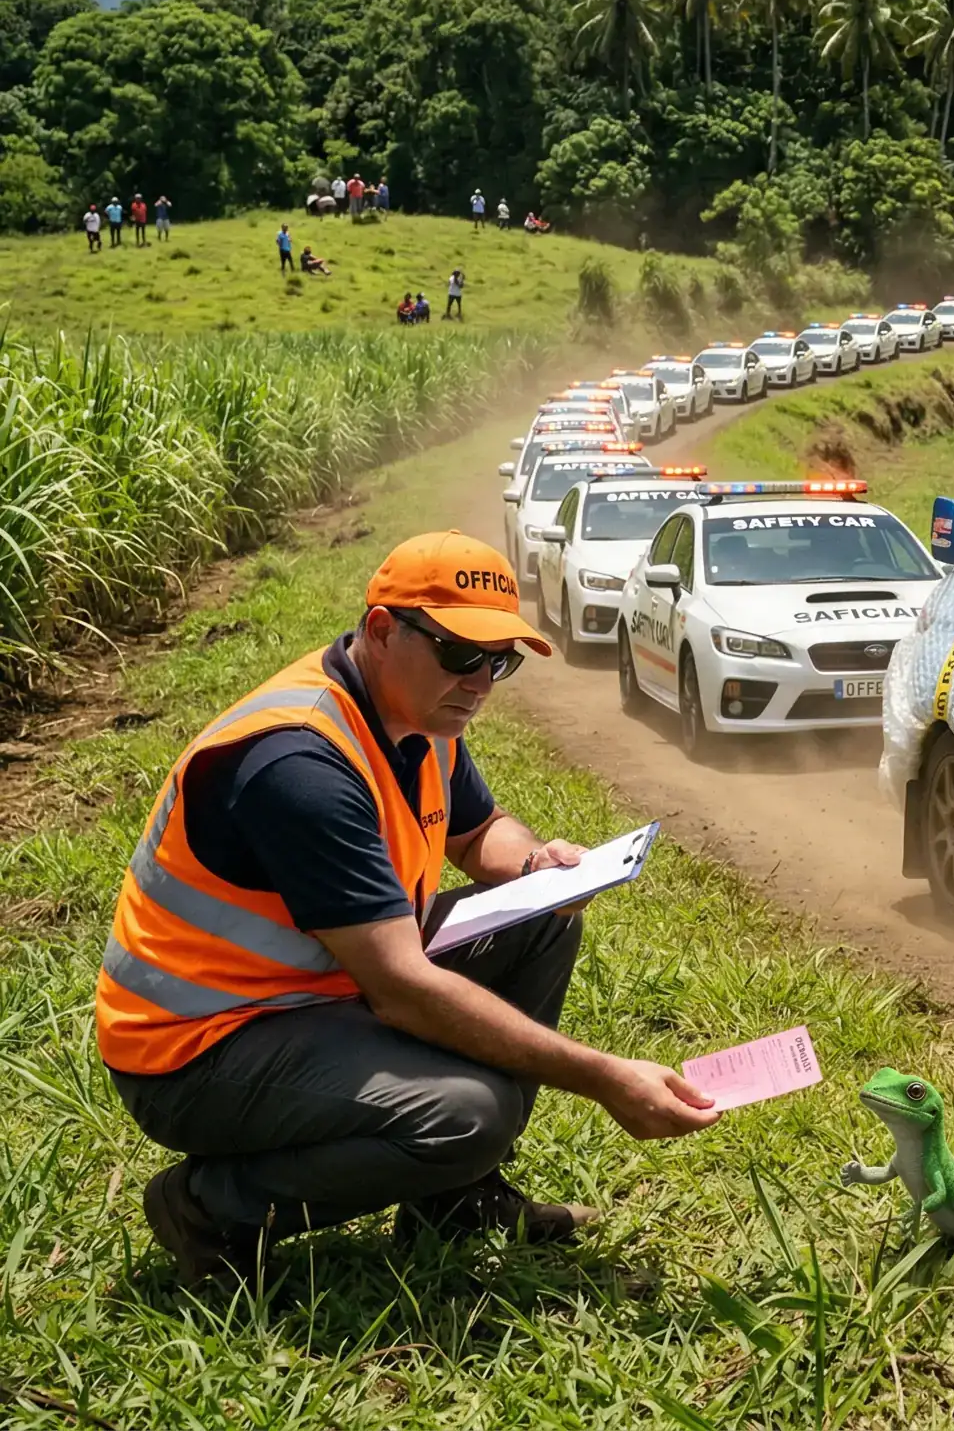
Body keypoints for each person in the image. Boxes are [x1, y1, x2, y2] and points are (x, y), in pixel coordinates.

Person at [97, 532, 719, 1284]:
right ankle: (209, 1207)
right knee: (468, 1114)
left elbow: (479, 830)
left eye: (501, 661)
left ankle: (453, 1199)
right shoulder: (298, 764)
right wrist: (606, 1077)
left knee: (541, 922)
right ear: (385, 631)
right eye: (463, 654)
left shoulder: (420, 718)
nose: (482, 681)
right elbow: (400, 990)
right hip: (199, 1051)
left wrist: (532, 866)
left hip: (316, 992)